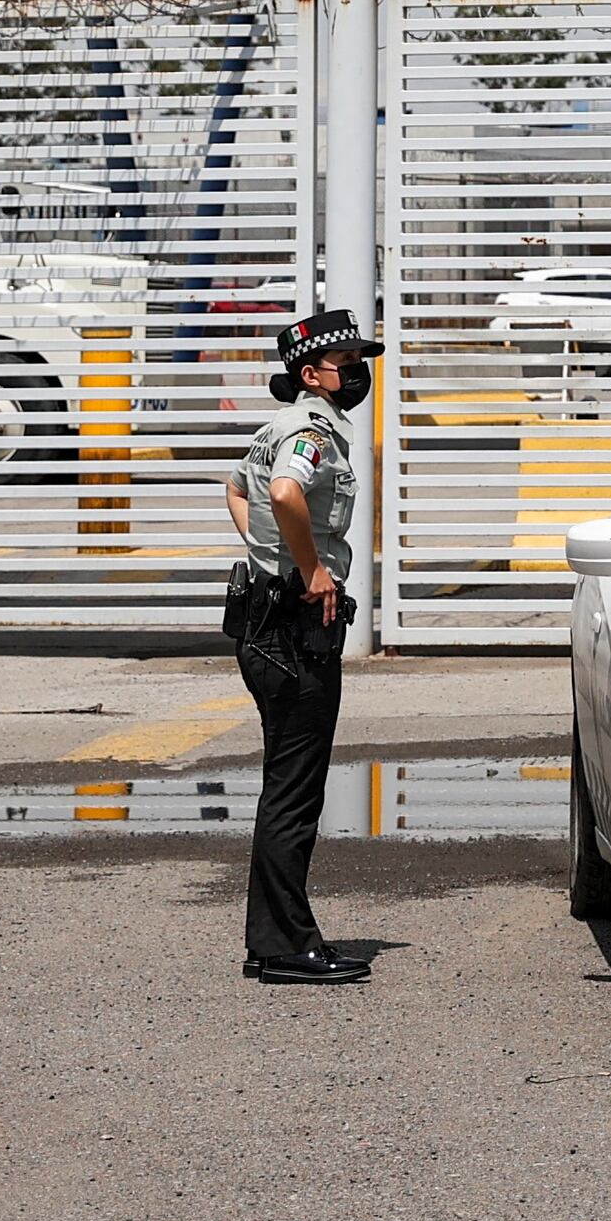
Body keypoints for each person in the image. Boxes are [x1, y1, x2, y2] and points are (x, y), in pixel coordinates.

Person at [225, 306, 374, 985]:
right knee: (294, 791)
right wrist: (309, 567)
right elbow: (284, 490)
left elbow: (237, 488)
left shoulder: (275, 426)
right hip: (292, 624)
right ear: (311, 373)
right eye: (346, 365)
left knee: (283, 786)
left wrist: (267, 552)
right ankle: (287, 944)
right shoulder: (310, 428)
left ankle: (272, 936)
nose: (357, 374)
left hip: (264, 615)